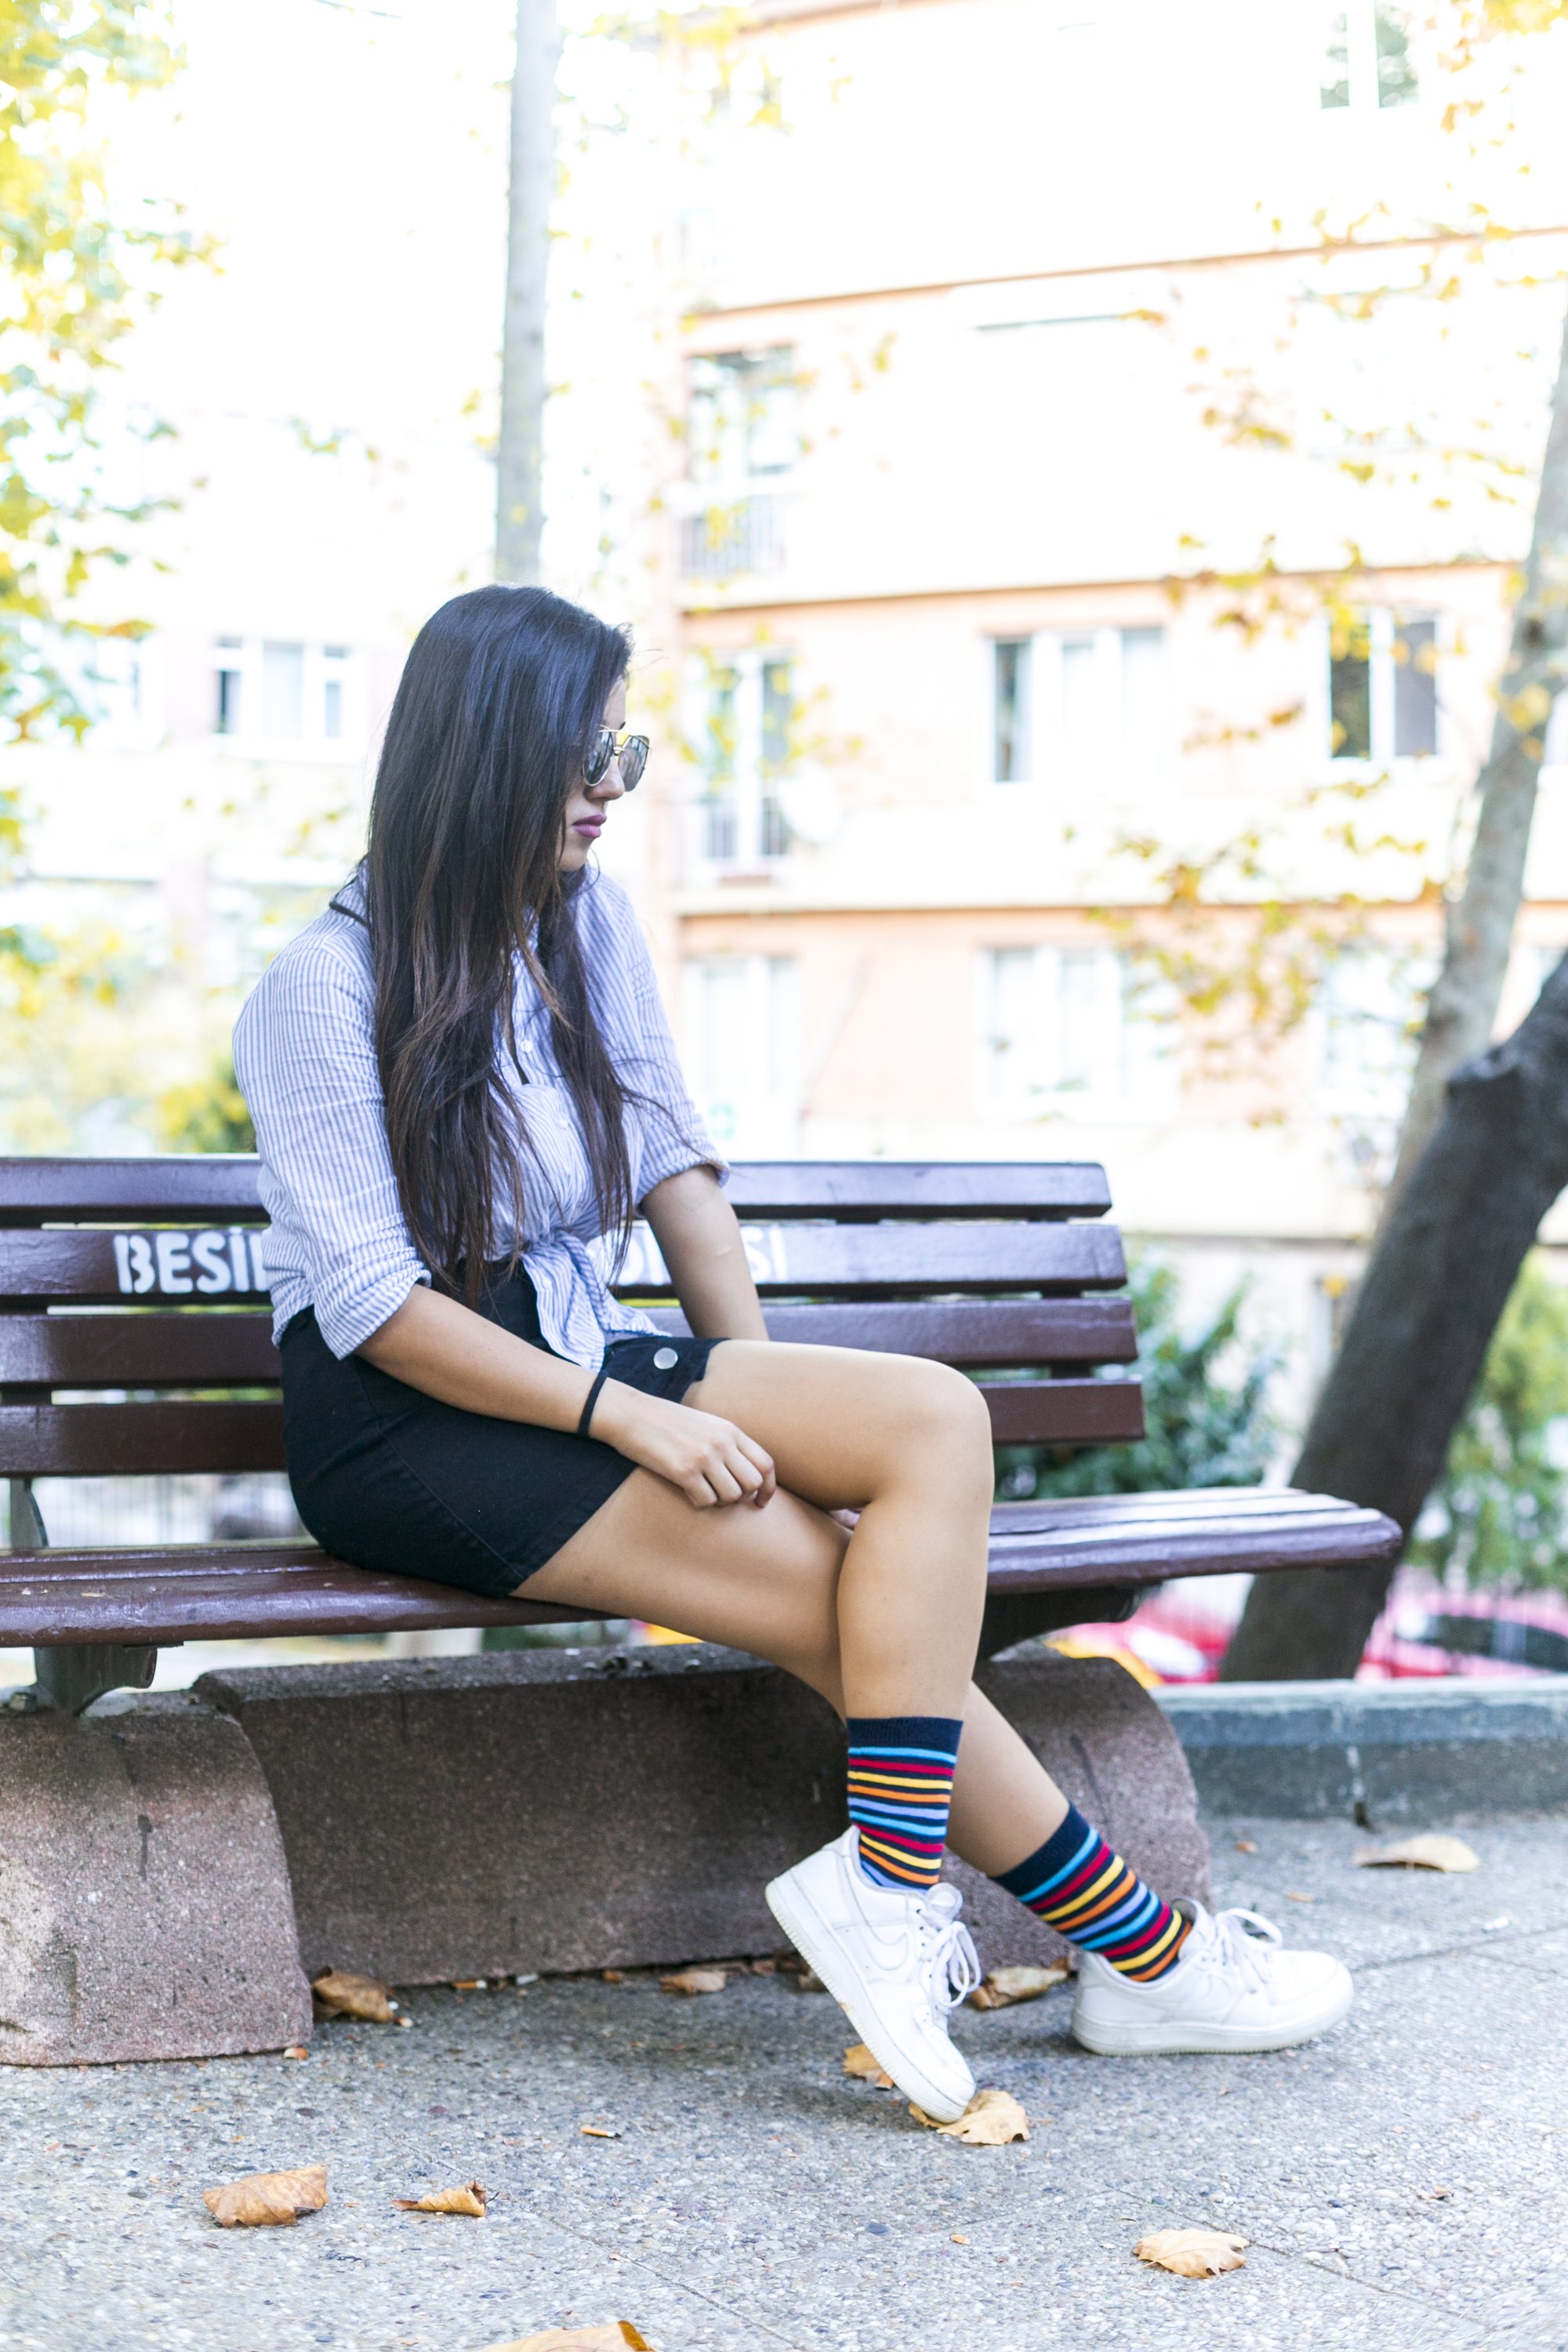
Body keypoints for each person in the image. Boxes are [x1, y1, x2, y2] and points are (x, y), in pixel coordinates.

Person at [234, 583, 1352, 2122]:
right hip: (407, 1427)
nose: (611, 791)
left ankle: (897, 1899)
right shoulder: (322, 991)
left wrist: (754, 1404)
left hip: (574, 1363)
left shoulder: (580, 928)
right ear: (486, 760)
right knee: (844, 1599)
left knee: (925, 1423)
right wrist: (637, 1425)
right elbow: (372, 1309)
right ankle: (1149, 1962)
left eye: (623, 753)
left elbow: (675, 1163)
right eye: (584, 759)